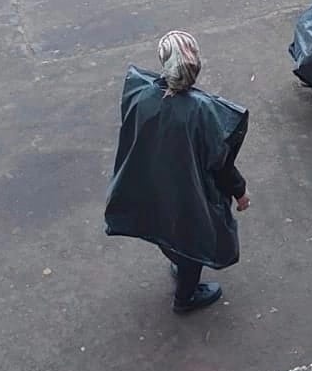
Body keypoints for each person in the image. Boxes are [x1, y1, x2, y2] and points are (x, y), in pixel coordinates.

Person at [105, 31, 250, 314]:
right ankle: (186, 297)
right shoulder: (204, 112)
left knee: (165, 232)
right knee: (191, 244)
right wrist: (240, 191)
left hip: (149, 184)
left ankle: (177, 261)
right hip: (187, 196)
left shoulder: (141, 95)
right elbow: (220, 164)